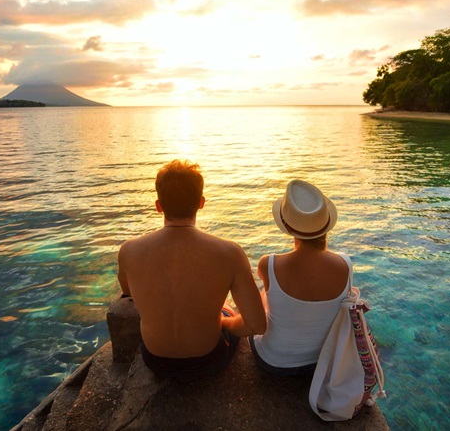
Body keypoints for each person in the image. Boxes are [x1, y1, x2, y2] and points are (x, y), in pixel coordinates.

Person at [117, 160, 266, 378]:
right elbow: (256, 325)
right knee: (225, 307)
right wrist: (224, 320)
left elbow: (128, 292)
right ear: (201, 202)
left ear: (159, 206)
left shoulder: (129, 250)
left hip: (155, 361)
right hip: (208, 361)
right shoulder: (229, 252)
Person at [250, 179, 352, 376]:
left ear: (287, 226)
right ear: (326, 222)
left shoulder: (269, 264)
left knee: (265, 293)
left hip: (274, 362)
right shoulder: (345, 265)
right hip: (320, 362)